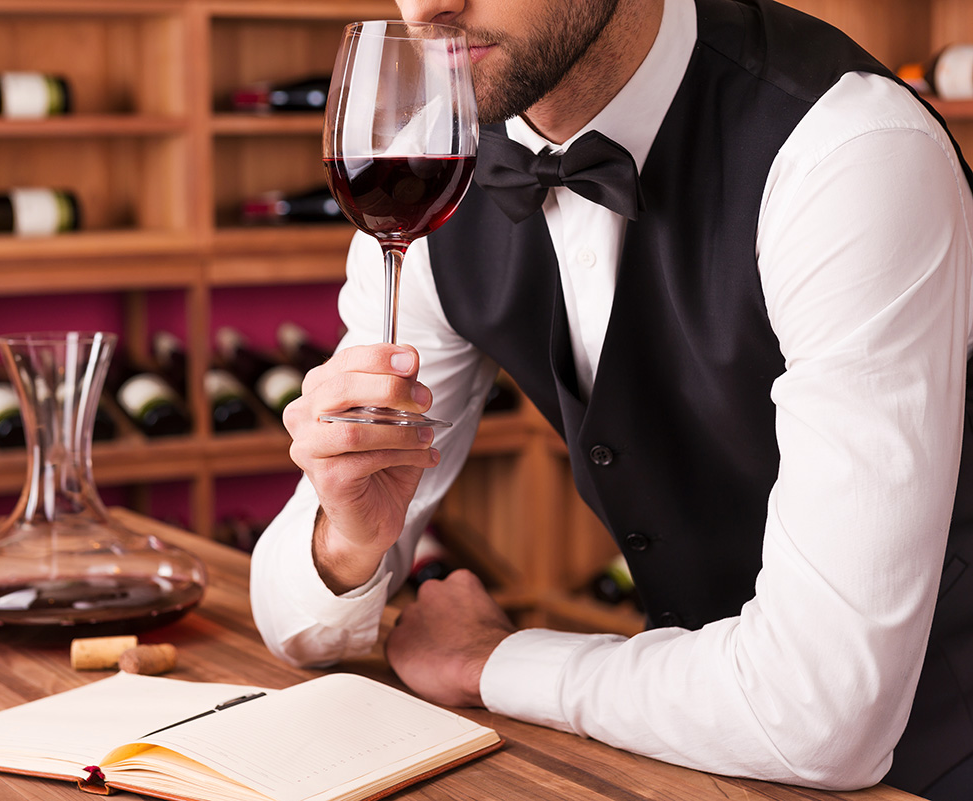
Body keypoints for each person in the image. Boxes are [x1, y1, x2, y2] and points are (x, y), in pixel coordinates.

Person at [248, 0, 973, 798]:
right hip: (707, 758)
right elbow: (292, 618)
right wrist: (348, 538)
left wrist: (492, 659)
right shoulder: (438, 164)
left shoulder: (849, 152)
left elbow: (824, 714)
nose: (428, 6)